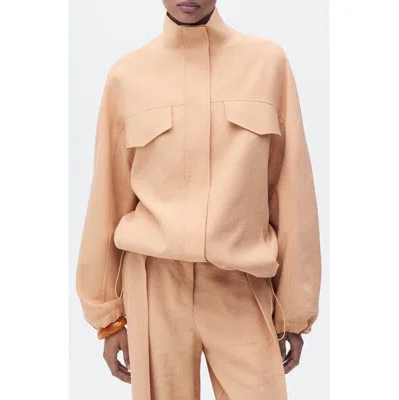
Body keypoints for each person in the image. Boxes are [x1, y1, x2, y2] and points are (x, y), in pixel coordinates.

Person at [76, 1, 322, 399]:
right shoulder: (127, 76)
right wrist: (108, 317)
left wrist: (295, 310)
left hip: (241, 283)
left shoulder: (267, 64)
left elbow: (290, 190)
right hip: (155, 285)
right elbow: (108, 196)